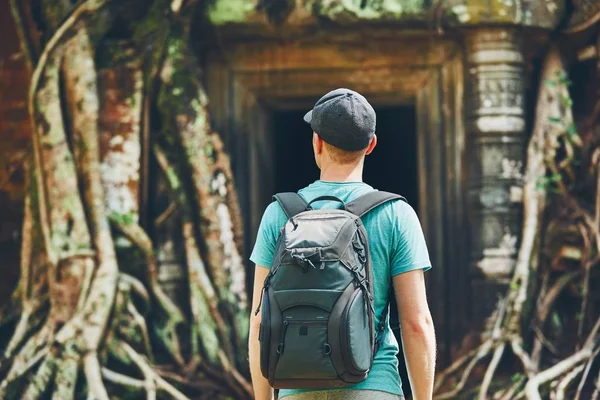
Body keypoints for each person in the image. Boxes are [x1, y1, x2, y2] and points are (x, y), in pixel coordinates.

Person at [248, 88, 436, 400]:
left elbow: (259, 324)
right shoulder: (396, 214)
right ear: (371, 144)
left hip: (297, 390)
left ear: (316, 142)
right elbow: (416, 323)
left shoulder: (279, 214)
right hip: (375, 389)